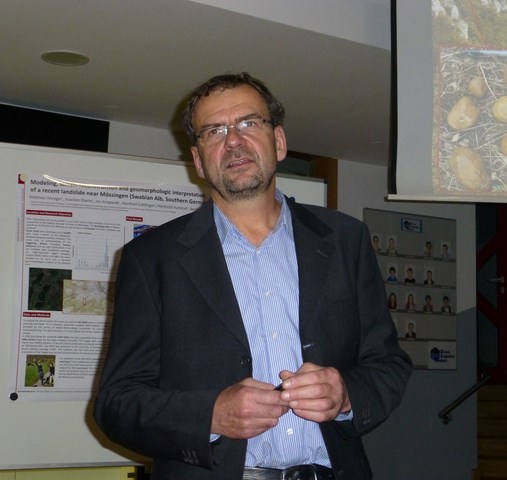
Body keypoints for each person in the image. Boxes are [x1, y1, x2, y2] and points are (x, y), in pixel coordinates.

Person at [93, 72, 412, 480]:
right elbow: (116, 403)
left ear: (278, 141)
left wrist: (346, 394)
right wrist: (212, 415)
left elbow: (387, 365)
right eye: (214, 131)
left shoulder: (345, 240)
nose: (233, 141)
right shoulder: (151, 258)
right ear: (198, 160)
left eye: (248, 123)